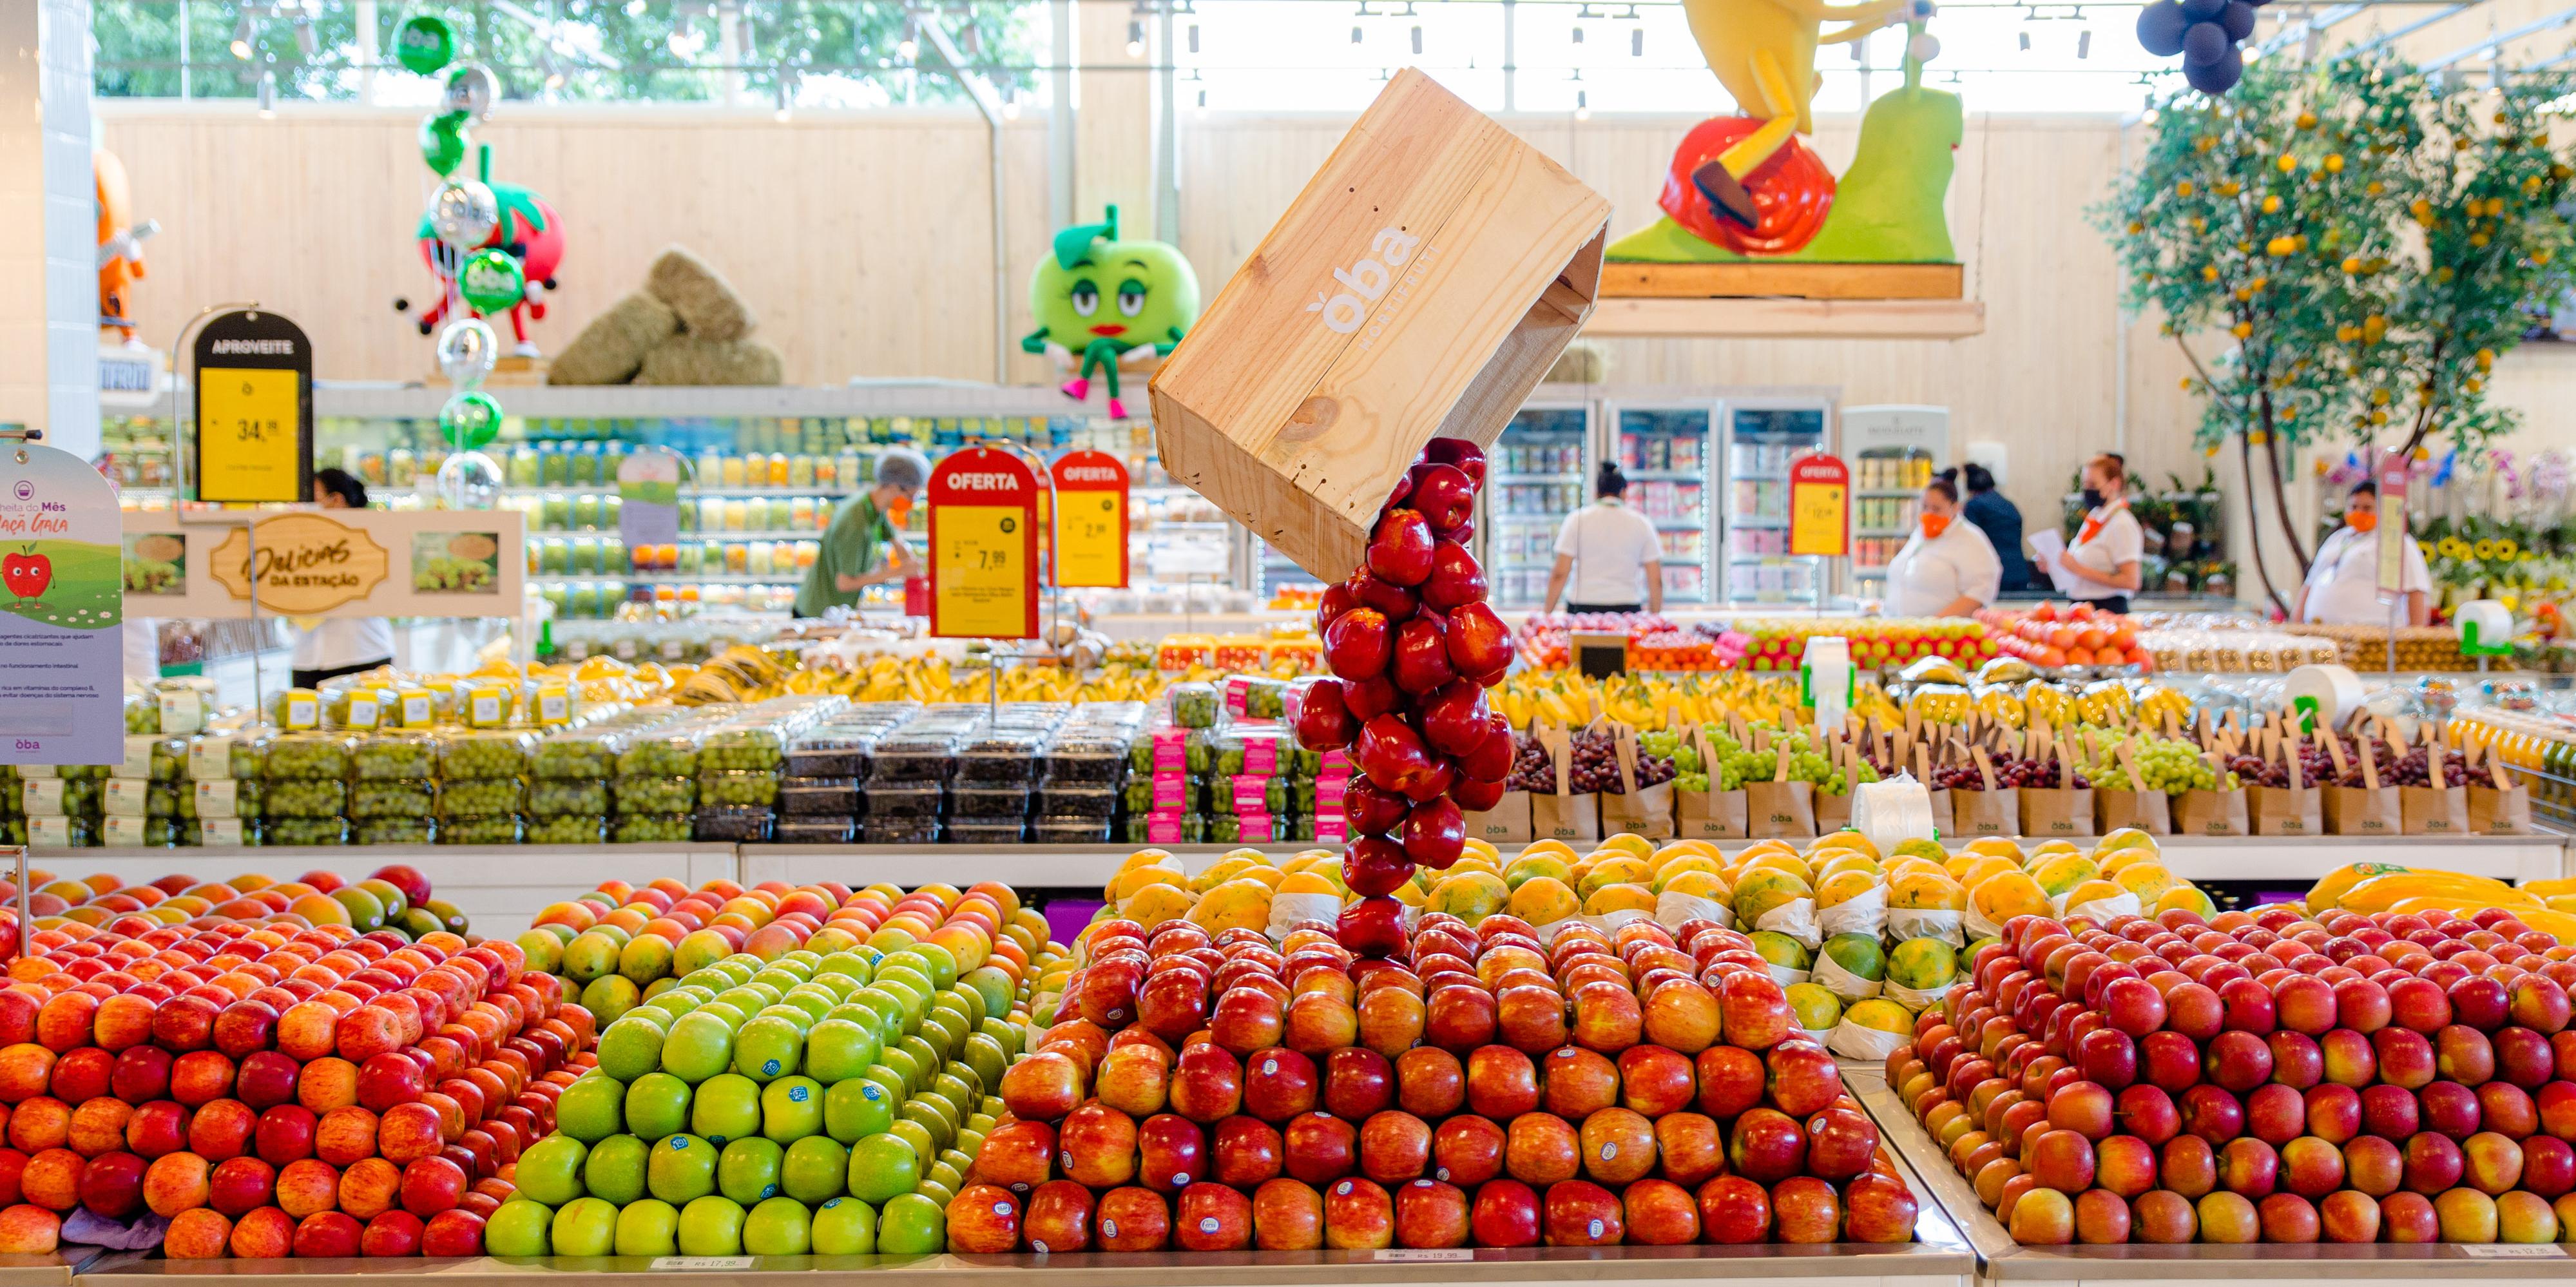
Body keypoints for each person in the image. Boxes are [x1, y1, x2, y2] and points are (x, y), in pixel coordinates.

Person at [290, 468, 396, 689]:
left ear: (336, 500)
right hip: (308, 658)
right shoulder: (298, 539)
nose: (304, 506)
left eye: (313, 497)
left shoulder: (372, 537)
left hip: (362, 652)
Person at [796, 447, 931, 618]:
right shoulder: (855, 522)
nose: (911, 503)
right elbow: (844, 583)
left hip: (836, 611)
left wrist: (911, 563)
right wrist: (898, 572)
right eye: (911, 496)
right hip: (816, 614)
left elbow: (895, 538)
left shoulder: (872, 506)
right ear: (893, 487)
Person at [2295, 481, 2432, 626]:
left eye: (2367, 508)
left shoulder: (2396, 541)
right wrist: (2295, 625)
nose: (2358, 513)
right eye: (2353, 507)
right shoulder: (2338, 538)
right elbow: (2310, 583)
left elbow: (2416, 590)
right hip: (2320, 630)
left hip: (2373, 634)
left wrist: (2415, 636)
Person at [1543, 462, 1664, 614]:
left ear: (1596, 492)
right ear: (1624, 493)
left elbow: (1560, 573)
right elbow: (1656, 580)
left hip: (1582, 609)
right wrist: (1655, 619)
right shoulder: (1642, 523)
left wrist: (1546, 614)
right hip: (1627, 609)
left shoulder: (1577, 519)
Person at [1884, 477, 2001, 617]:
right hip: (1903, 630)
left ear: (1955, 507)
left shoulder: (1970, 538)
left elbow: (1980, 592)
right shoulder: (1919, 535)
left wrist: (1935, 623)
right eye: (1925, 507)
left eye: (1936, 509)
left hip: (1941, 634)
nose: (1928, 514)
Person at [2058, 453, 2144, 615]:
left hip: (2107, 610)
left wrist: (2080, 570)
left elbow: (2132, 581)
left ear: (2114, 484)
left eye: (2093, 484)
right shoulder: (2095, 517)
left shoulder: (2122, 524)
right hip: (2081, 608)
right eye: (2085, 485)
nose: (2088, 490)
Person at [1954, 463, 2031, 594]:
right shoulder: (2009, 504)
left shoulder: (1974, 506)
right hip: (2020, 572)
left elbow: (1968, 540)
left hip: (1996, 572)